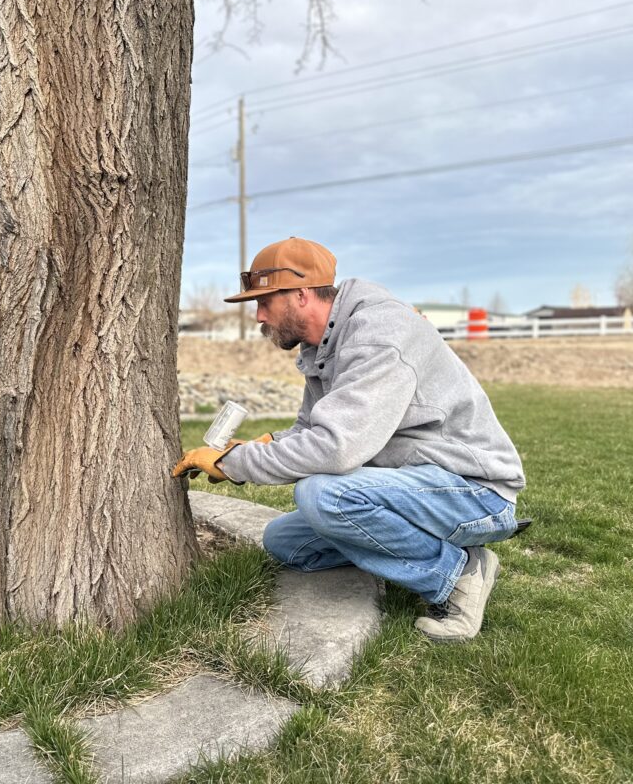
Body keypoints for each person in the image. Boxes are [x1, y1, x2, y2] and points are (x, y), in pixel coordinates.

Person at [172, 237, 526, 643]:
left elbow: (337, 447)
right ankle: (401, 552)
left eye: (264, 301)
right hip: (413, 483)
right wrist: (258, 445)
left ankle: (459, 574)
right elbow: (312, 429)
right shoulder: (324, 346)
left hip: (473, 490)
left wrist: (232, 464)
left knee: (324, 496)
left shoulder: (378, 335)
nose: (258, 316)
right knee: (286, 542)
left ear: (301, 294)